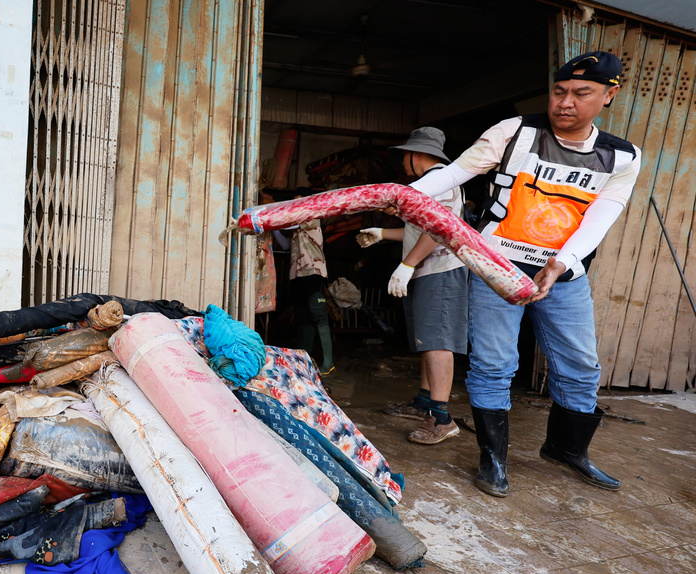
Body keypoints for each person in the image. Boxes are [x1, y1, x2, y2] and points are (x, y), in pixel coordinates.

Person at [407, 51, 641, 497]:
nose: (565, 102)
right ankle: (493, 458)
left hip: (564, 274)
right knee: (495, 364)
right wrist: (401, 194)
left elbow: (599, 219)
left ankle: (568, 449)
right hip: (496, 267)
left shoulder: (622, 157)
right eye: (559, 91)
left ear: (610, 95)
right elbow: (456, 172)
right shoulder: (515, 132)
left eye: (581, 93)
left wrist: (563, 263)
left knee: (580, 368)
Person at [357, 127, 467, 445]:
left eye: (404, 156)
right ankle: (424, 402)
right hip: (425, 270)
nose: (402, 163)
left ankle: (442, 418)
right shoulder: (426, 186)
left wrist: (407, 265)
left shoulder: (442, 181)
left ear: (416, 154)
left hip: (440, 271)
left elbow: (436, 231)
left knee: (437, 342)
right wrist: (381, 232)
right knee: (426, 340)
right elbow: (415, 231)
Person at [271, 187, 335, 376]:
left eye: (299, 201)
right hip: (297, 274)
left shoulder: (311, 216)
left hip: (313, 272)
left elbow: (288, 223)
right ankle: (302, 358)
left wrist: (272, 215)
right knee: (302, 316)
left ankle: (328, 362)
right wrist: (274, 228)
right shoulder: (296, 226)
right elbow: (284, 243)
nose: (296, 205)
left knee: (318, 315)